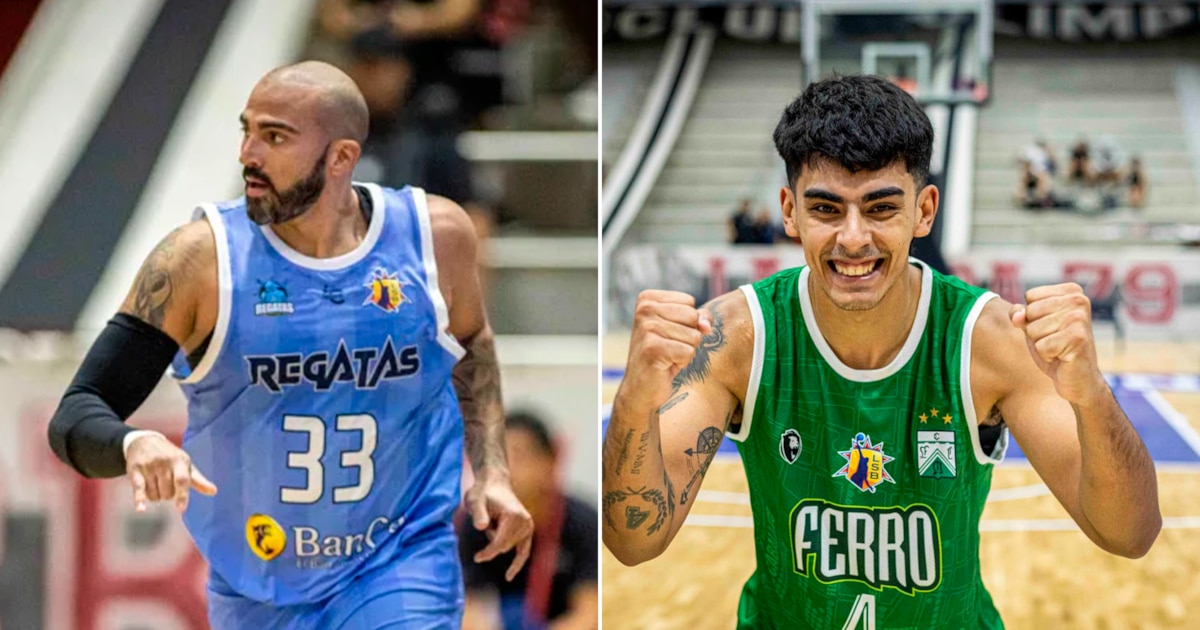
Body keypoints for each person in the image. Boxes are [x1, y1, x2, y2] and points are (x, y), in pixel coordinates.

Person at [601, 75, 1160, 629]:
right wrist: (634, 402)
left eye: (880, 208)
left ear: (924, 210)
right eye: (826, 209)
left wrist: (1091, 395)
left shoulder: (987, 340)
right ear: (789, 211)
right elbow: (633, 542)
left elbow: (1130, 534)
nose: (852, 238)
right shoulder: (737, 338)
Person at [46, 61, 533, 629]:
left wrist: (493, 470)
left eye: (274, 137)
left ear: (341, 158)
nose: (248, 154)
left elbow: (471, 342)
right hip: (259, 576)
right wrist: (132, 442)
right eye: (246, 130)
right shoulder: (197, 262)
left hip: (399, 558)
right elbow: (76, 414)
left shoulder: (434, 237)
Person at [460, 411, 598, 630]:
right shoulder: (477, 524)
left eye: (517, 457)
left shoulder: (582, 523)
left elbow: (590, 613)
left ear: (549, 462)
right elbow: (467, 609)